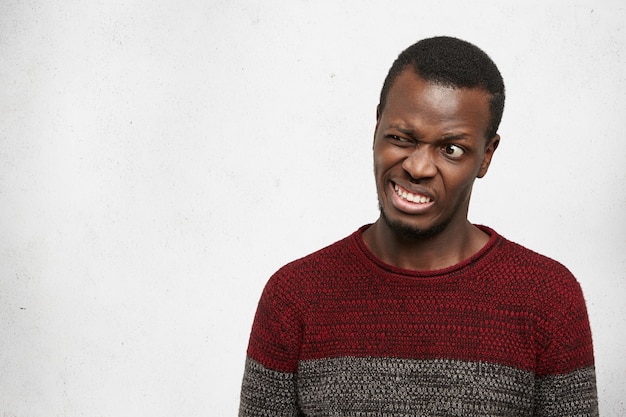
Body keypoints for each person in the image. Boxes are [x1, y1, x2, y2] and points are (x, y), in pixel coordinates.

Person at [238, 36, 598, 416]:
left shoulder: (548, 298)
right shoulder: (294, 297)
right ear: (376, 126)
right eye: (401, 138)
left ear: (486, 156)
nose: (418, 167)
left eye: (451, 149)